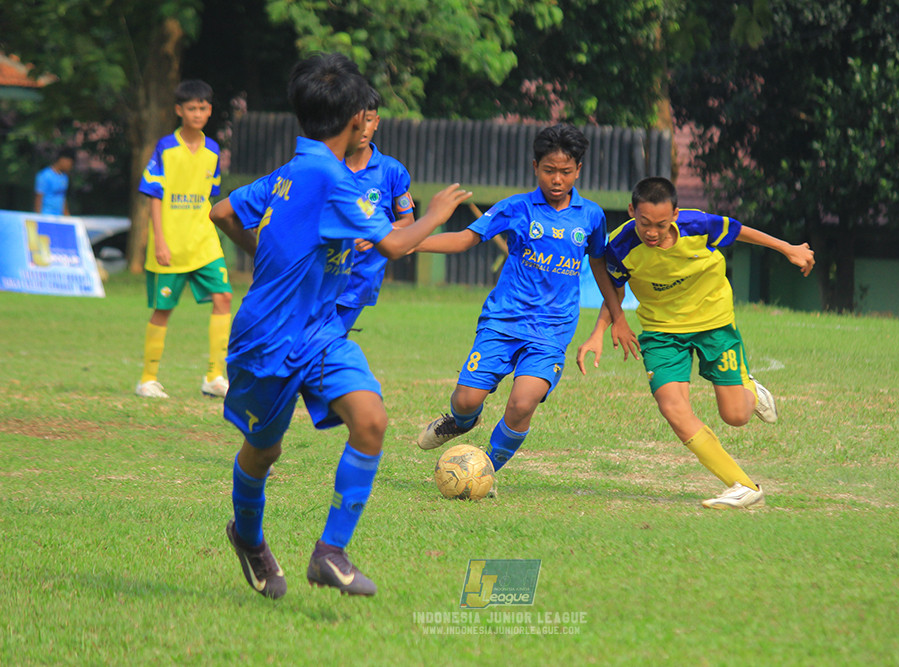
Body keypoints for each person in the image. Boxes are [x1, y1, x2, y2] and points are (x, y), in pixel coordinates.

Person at [209, 53, 471, 599]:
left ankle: (330, 552)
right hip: (266, 338)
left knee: (370, 420)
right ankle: (249, 538)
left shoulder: (294, 169)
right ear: (356, 119)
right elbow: (397, 243)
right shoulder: (329, 179)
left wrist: (269, 257)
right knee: (264, 451)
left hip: (321, 330)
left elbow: (223, 211)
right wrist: (438, 211)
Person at [576, 176, 815, 509]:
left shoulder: (698, 225)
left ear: (675, 215)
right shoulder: (620, 245)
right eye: (644, 223)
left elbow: (740, 230)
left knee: (736, 416)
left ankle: (751, 390)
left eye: (661, 224)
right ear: (632, 212)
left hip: (713, 323)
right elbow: (613, 286)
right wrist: (602, 330)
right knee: (672, 407)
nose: (652, 232)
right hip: (661, 332)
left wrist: (788, 248)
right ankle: (743, 485)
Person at [415, 124, 620, 494]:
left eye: (565, 171)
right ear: (535, 166)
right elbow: (465, 239)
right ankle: (461, 422)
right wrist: (411, 243)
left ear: (578, 170)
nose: (557, 179)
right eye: (548, 170)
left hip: (551, 331)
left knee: (523, 402)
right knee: (466, 400)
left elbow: (600, 265)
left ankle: (484, 471)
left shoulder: (591, 216)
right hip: (503, 321)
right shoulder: (516, 207)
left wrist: (614, 320)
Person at [135, 79, 232, 400]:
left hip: (204, 242)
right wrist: (159, 241)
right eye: (192, 108)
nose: (198, 113)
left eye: (203, 108)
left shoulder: (213, 150)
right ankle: (148, 379)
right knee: (163, 310)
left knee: (224, 298)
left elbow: (209, 197)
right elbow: (153, 196)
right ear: (179, 110)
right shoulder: (165, 147)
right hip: (171, 245)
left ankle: (215, 377)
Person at [336, 86, 416, 331]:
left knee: (325, 345)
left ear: (377, 122)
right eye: (357, 121)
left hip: (360, 280)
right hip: (322, 273)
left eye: (368, 120)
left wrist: (376, 234)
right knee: (318, 346)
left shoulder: (391, 171)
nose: (362, 128)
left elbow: (408, 222)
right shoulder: (329, 167)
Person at [34, 148, 75, 216]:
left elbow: (62, 198)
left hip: (59, 217)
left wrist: (67, 215)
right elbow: (38, 198)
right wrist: (38, 217)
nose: (70, 167)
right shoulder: (45, 175)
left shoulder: (64, 177)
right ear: (62, 159)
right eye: (70, 163)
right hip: (46, 216)